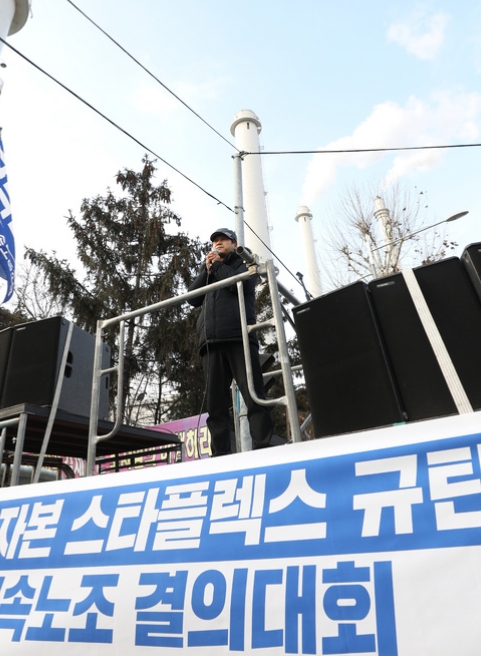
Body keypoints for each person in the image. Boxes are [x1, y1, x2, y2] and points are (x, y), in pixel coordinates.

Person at [188, 228, 275, 456]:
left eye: (223, 240)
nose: (217, 243)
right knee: (215, 405)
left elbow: (240, 285)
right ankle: (220, 455)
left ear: (234, 244)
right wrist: (207, 270)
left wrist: (217, 266)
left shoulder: (244, 261)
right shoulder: (210, 269)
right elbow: (192, 298)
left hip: (239, 337)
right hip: (212, 342)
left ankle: (263, 449)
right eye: (215, 241)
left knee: (253, 395)